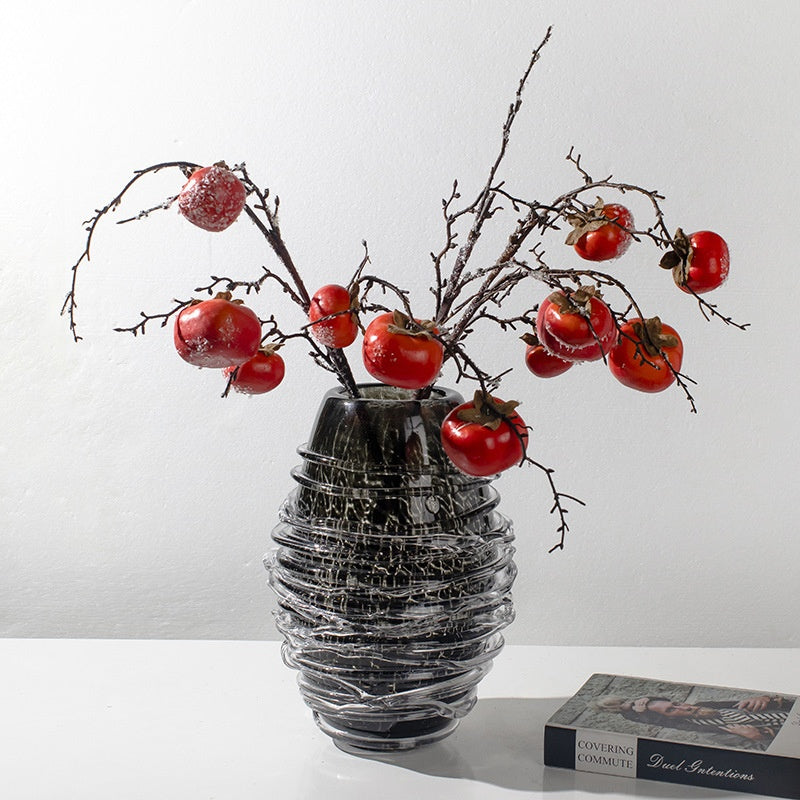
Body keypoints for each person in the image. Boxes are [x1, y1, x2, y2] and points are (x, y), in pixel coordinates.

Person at [591, 693, 791, 745]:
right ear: (671, 721)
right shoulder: (718, 735)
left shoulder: (713, 707)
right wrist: (761, 738)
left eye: (676, 702)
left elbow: (790, 703)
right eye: (672, 710)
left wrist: (771, 700)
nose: (685, 707)